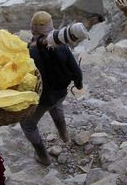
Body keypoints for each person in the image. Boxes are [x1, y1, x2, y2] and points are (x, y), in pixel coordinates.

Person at [20, 11, 83, 166]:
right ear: (52, 28)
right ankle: (65, 136)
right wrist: (79, 84)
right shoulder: (63, 47)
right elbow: (77, 71)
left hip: (41, 100)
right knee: (57, 107)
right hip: (60, 93)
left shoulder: (28, 53)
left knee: (28, 125)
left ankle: (44, 157)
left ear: (32, 30)